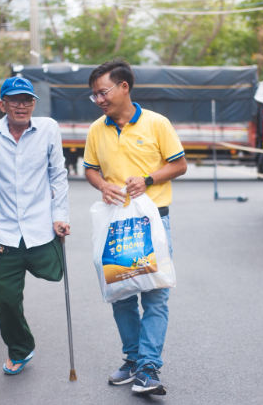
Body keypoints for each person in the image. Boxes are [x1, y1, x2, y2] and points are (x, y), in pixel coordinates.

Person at [83, 59, 187, 396]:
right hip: (117, 223)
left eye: (103, 92)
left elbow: (179, 164)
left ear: (124, 87)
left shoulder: (157, 123)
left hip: (154, 220)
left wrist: (148, 179)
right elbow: (90, 169)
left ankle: (148, 367)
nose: (99, 99)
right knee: (122, 296)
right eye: (94, 95)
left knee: (156, 295)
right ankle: (132, 359)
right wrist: (102, 186)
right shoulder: (97, 129)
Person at [0, 76, 70, 376]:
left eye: (27, 100)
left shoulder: (48, 128)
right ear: (3, 104)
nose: (21, 106)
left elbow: (58, 175)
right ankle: (21, 347)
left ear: (34, 104)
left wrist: (60, 216)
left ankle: (39, 262)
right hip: (5, 231)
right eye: (14, 100)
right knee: (1, 294)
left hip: (41, 227)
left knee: (55, 272)